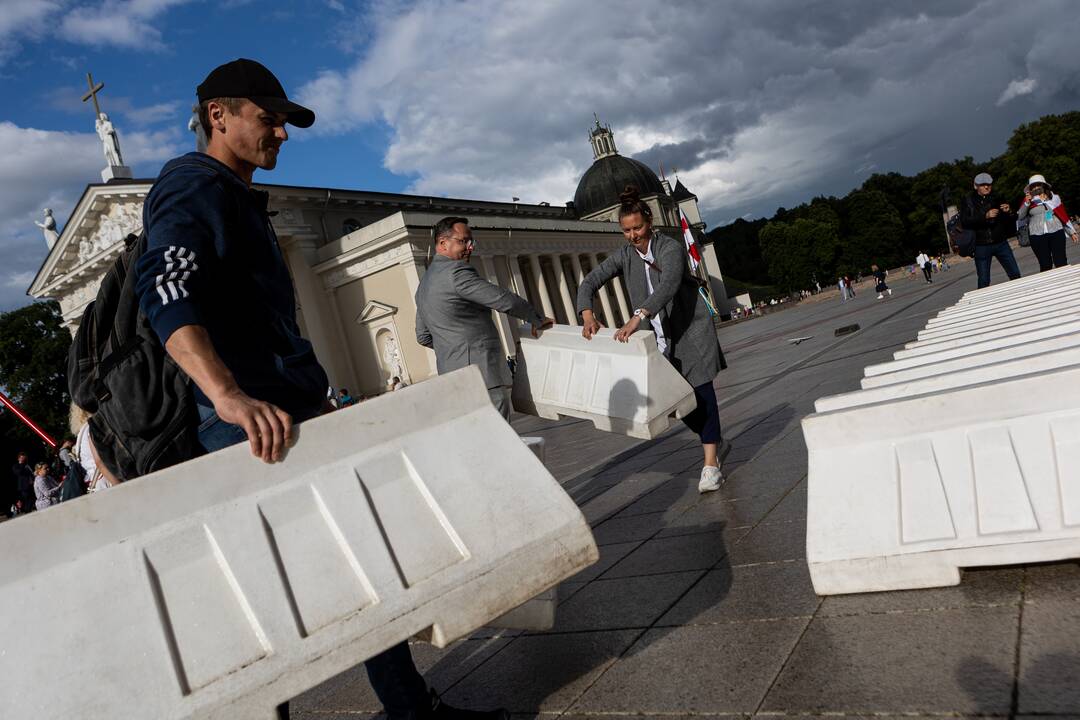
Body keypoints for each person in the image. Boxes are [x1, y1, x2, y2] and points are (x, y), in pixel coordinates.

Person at [133, 58, 507, 720]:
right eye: (268, 118)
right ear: (218, 115)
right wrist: (227, 395)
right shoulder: (192, 186)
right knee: (267, 598)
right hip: (249, 428)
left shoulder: (233, 194)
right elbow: (165, 289)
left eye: (284, 121)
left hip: (289, 411)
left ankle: (410, 708)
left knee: (354, 566)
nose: (282, 132)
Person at [576, 186, 729, 493]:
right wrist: (587, 313)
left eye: (638, 228)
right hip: (659, 339)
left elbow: (670, 282)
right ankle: (714, 440)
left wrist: (638, 314)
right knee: (677, 403)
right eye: (626, 230)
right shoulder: (624, 255)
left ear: (650, 222)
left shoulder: (668, 246)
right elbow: (591, 280)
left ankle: (711, 463)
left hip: (689, 331)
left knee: (702, 393)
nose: (633, 235)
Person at [415, 216, 552, 420]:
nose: (470, 247)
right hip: (480, 376)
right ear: (443, 243)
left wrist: (454, 350)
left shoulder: (424, 285)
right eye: (464, 241)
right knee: (498, 438)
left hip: (451, 379)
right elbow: (502, 299)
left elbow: (423, 336)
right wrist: (536, 318)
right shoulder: (456, 272)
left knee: (475, 441)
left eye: (471, 242)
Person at [960, 172, 1022, 289]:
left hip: (1001, 242)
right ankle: (981, 304)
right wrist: (985, 216)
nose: (986, 187)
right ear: (975, 186)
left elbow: (1010, 220)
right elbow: (965, 222)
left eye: (989, 184)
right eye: (982, 185)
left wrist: (1009, 211)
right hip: (981, 245)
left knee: (1015, 273)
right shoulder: (968, 201)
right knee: (984, 280)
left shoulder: (998, 197)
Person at [1018, 174, 1078, 272]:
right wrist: (1027, 203)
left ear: (1043, 185)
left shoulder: (1054, 198)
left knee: (1061, 262)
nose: (1036, 188)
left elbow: (1062, 216)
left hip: (1056, 231)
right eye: (1034, 186)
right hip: (1037, 235)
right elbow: (1020, 216)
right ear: (1030, 188)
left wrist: (1071, 232)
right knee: (1045, 264)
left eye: (1038, 185)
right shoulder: (1028, 200)